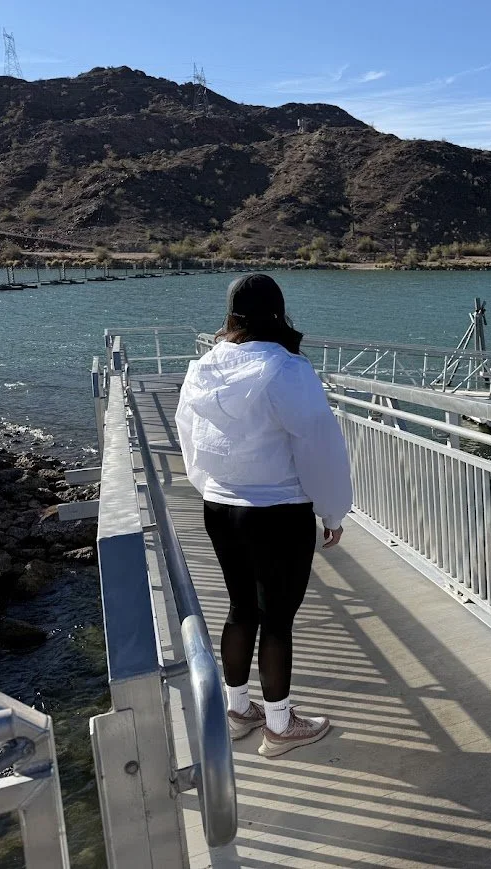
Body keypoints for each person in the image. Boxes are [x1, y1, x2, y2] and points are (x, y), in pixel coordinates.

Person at [175, 274, 353, 758]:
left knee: (241, 609)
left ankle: (238, 712)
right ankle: (279, 726)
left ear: (232, 315)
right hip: (278, 513)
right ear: (278, 313)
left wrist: (210, 487)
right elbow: (319, 446)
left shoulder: (205, 366)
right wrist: (332, 511)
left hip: (221, 508)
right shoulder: (287, 369)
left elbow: (189, 434)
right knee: (277, 619)